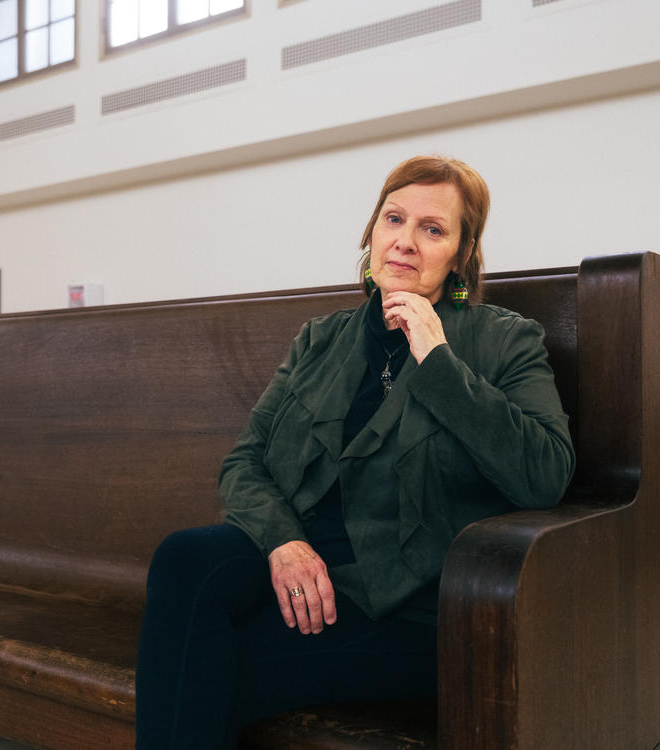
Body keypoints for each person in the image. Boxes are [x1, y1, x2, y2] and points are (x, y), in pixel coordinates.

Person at [135, 155, 575, 748]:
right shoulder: (322, 339)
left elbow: (545, 475)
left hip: (406, 605)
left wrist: (438, 359)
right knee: (186, 560)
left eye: (433, 229)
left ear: (462, 256)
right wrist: (284, 543)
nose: (406, 242)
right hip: (304, 569)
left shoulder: (503, 340)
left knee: (203, 663)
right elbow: (246, 462)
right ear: (371, 233)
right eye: (394, 219)